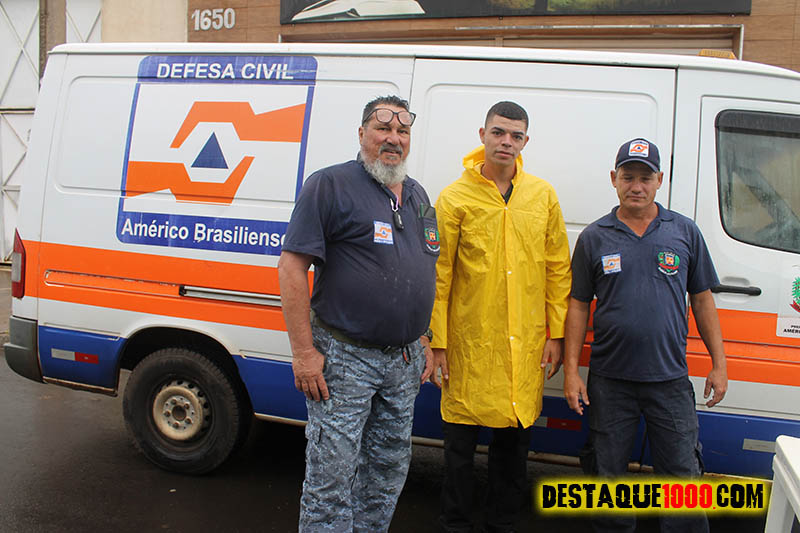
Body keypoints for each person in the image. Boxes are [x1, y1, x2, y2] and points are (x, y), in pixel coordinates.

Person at [278, 95, 437, 532]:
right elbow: (291, 268)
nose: (393, 138)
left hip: (402, 362)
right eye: (382, 128)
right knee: (331, 475)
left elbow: (424, 268)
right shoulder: (329, 185)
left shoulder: (419, 196)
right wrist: (303, 353)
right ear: (362, 132)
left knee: (386, 471)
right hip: (345, 359)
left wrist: (423, 337)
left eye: (402, 131)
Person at [562, 138, 728, 532]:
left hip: (669, 380)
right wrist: (571, 372)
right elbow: (578, 305)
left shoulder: (683, 232)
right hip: (610, 381)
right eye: (628, 177)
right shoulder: (595, 237)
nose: (636, 186)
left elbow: (702, 300)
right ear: (614, 179)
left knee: (682, 476)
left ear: (659, 181)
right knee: (608, 477)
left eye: (645, 177)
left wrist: (720, 365)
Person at [428, 101, 572, 532]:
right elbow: (439, 275)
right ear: (482, 135)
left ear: (526, 141)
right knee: (458, 455)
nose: (506, 142)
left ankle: (502, 526)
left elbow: (557, 268)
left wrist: (557, 334)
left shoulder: (542, 196)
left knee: (512, 456)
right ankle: (455, 525)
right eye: (498, 132)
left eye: (515, 135)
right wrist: (437, 342)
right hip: (469, 347)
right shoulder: (455, 198)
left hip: (523, 349)